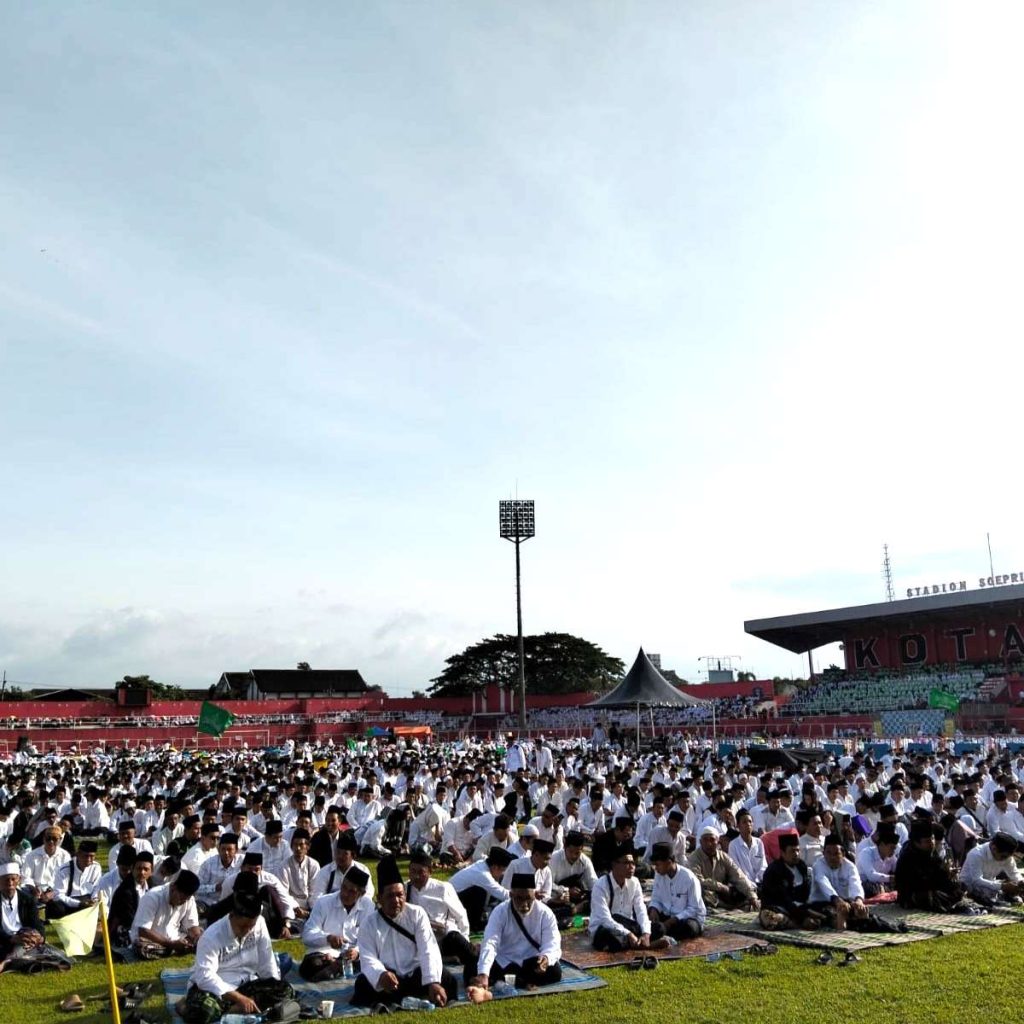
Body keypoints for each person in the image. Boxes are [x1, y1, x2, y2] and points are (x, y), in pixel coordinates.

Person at [350, 856, 457, 1009]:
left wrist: (432, 981)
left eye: (400, 895)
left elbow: (428, 949)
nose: (396, 900)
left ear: (405, 895)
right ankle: (399, 999)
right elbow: (367, 957)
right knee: (362, 984)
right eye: (390, 896)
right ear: (379, 899)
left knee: (446, 978)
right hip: (389, 978)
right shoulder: (369, 923)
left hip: (416, 974)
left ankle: (409, 997)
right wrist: (381, 974)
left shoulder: (417, 914)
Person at [182, 875, 292, 1024]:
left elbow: (267, 960)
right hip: (218, 989)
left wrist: (273, 985)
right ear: (232, 915)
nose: (247, 931)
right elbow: (205, 977)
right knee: (204, 1011)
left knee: (285, 989)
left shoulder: (259, 923)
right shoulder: (211, 937)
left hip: (247, 983)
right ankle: (187, 1006)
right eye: (243, 926)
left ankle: (232, 1010)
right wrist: (239, 998)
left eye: (251, 927)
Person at [469, 872, 562, 992]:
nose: (524, 905)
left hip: (531, 961)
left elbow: (552, 942)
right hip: (503, 960)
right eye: (519, 898)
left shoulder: (545, 913)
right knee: (472, 969)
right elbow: (490, 942)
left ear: (535, 895)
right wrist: (483, 973)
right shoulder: (499, 912)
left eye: (528, 898)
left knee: (555, 971)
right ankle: (520, 981)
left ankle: (503, 981)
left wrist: (546, 957)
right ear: (511, 895)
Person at [405, 850, 477, 981]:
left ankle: (473, 980)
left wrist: (465, 939)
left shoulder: (443, 888)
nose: (416, 876)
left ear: (430, 871)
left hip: (443, 938)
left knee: (463, 945)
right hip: (417, 942)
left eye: (421, 872)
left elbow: (461, 915)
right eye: (412, 871)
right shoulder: (405, 889)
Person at [299, 864, 374, 981]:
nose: (345, 894)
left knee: (376, 962)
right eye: (344, 887)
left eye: (352, 891)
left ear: (361, 893)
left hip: (352, 956)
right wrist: (328, 938)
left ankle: (337, 967)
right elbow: (307, 934)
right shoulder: (323, 902)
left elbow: (369, 938)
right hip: (324, 954)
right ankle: (336, 966)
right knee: (311, 965)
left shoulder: (368, 906)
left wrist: (357, 952)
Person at [589, 843, 669, 952]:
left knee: (659, 928)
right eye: (626, 863)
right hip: (606, 927)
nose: (632, 867)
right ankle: (646, 945)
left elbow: (641, 910)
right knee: (609, 935)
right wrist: (628, 934)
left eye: (633, 863)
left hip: (628, 925)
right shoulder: (600, 885)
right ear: (614, 865)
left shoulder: (634, 882)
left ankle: (639, 942)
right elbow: (605, 919)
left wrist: (646, 933)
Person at [131, 868, 203, 959]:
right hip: (152, 940)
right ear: (173, 888)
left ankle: (177, 948)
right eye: (181, 898)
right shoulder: (152, 897)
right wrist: (171, 944)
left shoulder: (189, 900)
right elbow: (143, 931)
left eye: (186, 899)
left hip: (175, 938)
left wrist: (197, 938)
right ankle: (174, 949)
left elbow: (192, 926)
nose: (183, 902)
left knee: (201, 933)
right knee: (142, 947)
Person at [894, 819, 964, 911]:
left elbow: (938, 869)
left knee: (957, 887)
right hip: (914, 892)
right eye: (927, 841)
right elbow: (919, 882)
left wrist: (947, 872)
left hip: (932, 885)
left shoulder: (930, 849)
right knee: (931, 897)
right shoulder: (908, 856)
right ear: (916, 842)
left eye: (933, 838)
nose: (932, 843)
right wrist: (939, 877)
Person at [759, 834, 825, 930]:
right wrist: (803, 917)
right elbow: (783, 899)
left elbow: (807, 893)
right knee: (770, 918)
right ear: (782, 853)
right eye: (792, 851)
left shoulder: (802, 866)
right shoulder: (774, 871)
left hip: (802, 907)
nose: (796, 854)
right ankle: (798, 923)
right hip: (780, 907)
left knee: (825, 911)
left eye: (798, 850)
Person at [686, 826, 760, 910]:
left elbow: (738, 876)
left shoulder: (723, 856)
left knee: (747, 890)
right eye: (705, 840)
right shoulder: (694, 858)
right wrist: (721, 887)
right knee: (703, 894)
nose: (709, 844)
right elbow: (698, 881)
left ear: (718, 842)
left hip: (723, 895)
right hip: (707, 894)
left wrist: (752, 896)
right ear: (700, 842)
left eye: (712, 840)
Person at [648, 842, 706, 939]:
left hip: (686, 919)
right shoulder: (659, 875)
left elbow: (693, 909)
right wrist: (654, 909)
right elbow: (656, 898)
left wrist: (672, 921)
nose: (656, 869)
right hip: (668, 916)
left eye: (658, 865)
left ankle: (663, 931)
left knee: (689, 928)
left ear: (669, 862)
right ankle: (662, 931)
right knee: (644, 915)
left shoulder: (689, 878)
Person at [451, 847, 514, 932]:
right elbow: (502, 893)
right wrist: (521, 896)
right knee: (480, 891)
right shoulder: (483, 875)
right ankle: (473, 924)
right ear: (495, 867)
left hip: (456, 895)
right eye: (502, 870)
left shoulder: (482, 864)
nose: (503, 874)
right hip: (453, 901)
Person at [960, 831, 1024, 904]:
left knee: (1017, 900)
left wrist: (1020, 881)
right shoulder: (976, 855)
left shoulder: (1006, 855)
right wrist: (1002, 886)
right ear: (994, 848)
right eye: (1003, 856)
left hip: (990, 889)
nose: (1005, 859)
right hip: (969, 890)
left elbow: (1013, 872)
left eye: (1008, 857)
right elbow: (977, 881)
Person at [0, 863, 44, 962]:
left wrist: (39, 937)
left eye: (13, 879)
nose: (10, 883)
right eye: (6, 880)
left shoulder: (28, 899)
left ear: (19, 880)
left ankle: (9, 961)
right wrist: (11, 938)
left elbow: (36, 922)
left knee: (26, 945)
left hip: (23, 937)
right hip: (4, 939)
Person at [48, 838, 102, 919]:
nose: (88, 859)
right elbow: (58, 895)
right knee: (55, 907)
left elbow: (96, 888)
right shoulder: (64, 869)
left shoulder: (96, 867)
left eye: (92, 856)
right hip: (69, 901)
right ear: (78, 854)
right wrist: (78, 904)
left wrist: (94, 900)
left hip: (88, 900)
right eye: (86, 856)